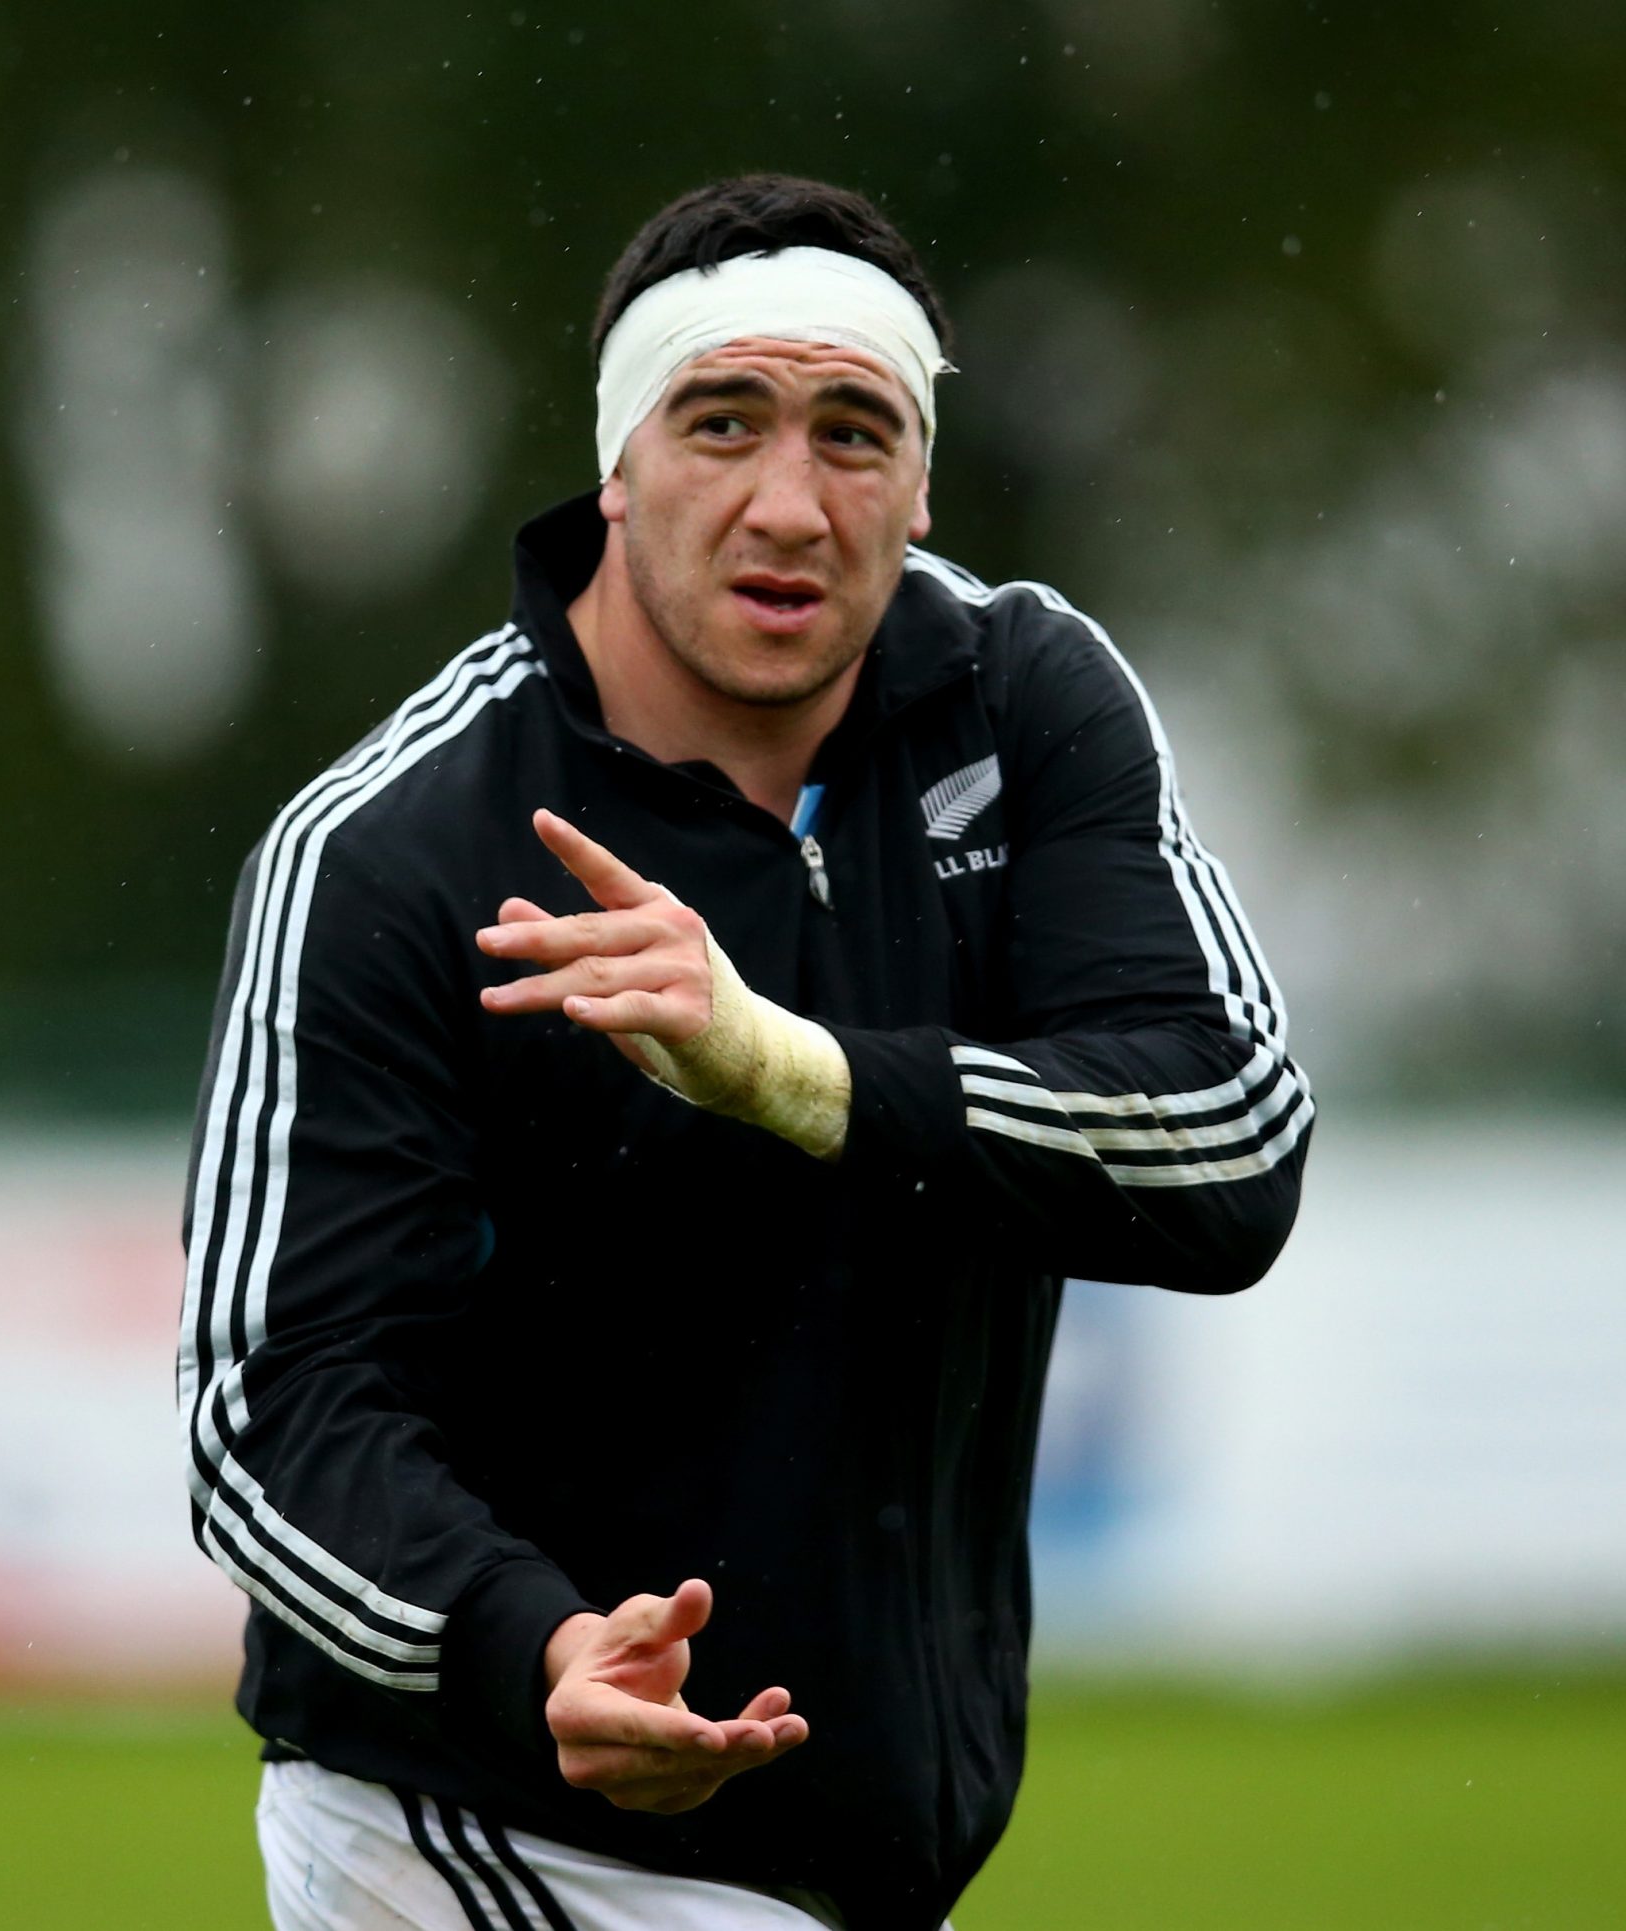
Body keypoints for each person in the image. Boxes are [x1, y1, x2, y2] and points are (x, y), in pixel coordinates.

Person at [179, 173, 1310, 1931]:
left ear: (923, 483)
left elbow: (1225, 1151)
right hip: (493, 1837)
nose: (791, 502)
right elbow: (273, 1412)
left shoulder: (1020, 709)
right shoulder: (397, 848)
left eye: (856, 432)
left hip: (851, 1863)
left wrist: (788, 1070)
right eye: (724, 422)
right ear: (617, 463)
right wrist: (534, 1645)